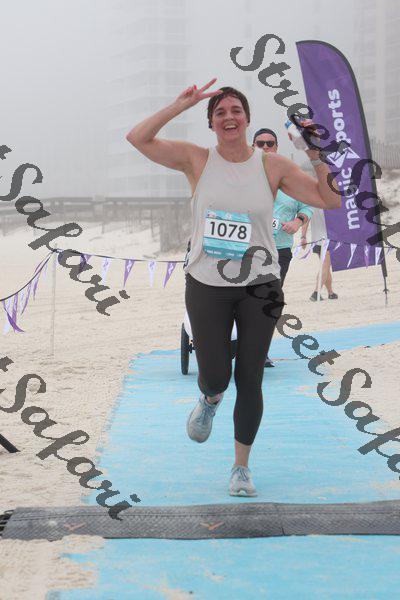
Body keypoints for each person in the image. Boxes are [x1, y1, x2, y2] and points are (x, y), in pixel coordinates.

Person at [126, 79, 340, 497]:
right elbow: (138, 138)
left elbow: (328, 200)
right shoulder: (197, 160)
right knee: (217, 375)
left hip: (260, 285)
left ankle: (241, 467)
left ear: (247, 119)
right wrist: (179, 104)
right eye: (220, 112)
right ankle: (209, 398)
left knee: (250, 376)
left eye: (235, 111)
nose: (229, 117)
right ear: (211, 123)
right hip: (207, 284)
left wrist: (316, 154)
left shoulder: (272, 165)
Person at [252, 128, 314, 367]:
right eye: (260, 144)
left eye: (270, 143)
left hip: (280, 251)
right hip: (249, 250)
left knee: (270, 301)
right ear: (253, 147)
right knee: (245, 301)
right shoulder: (245, 177)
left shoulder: (289, 177)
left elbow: (307, 206)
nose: (266, 147)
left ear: (276, 147)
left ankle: (260, 351)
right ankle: (238, 346)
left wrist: (298, 221)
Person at [304, 208, 339, 301]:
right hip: (328, 238)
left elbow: (306, 220)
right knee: (325, 267)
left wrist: (303, 236)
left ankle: (331, 293)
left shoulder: (310, 204)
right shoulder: (329, 204)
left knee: (326, 267)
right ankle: (316, 292)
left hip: (316, 240)